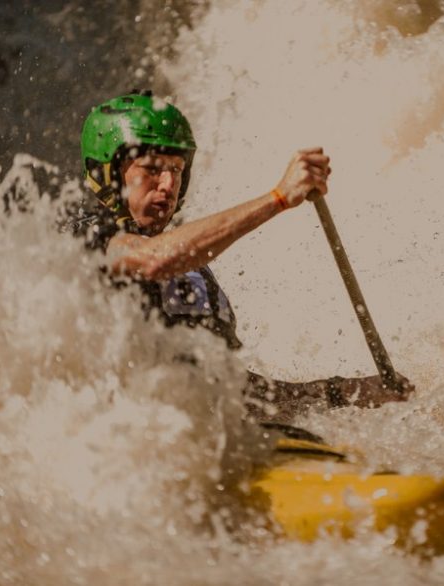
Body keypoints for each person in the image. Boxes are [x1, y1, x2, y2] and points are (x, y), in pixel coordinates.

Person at [69, 90, 412, 421]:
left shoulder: (194, 271)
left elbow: (243, 395)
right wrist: (278, 198)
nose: (168, 185)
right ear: (108, 175)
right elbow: (153, 260)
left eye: (175, 170)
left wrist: (345, 394)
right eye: (152, 168)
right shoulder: (89, 240)